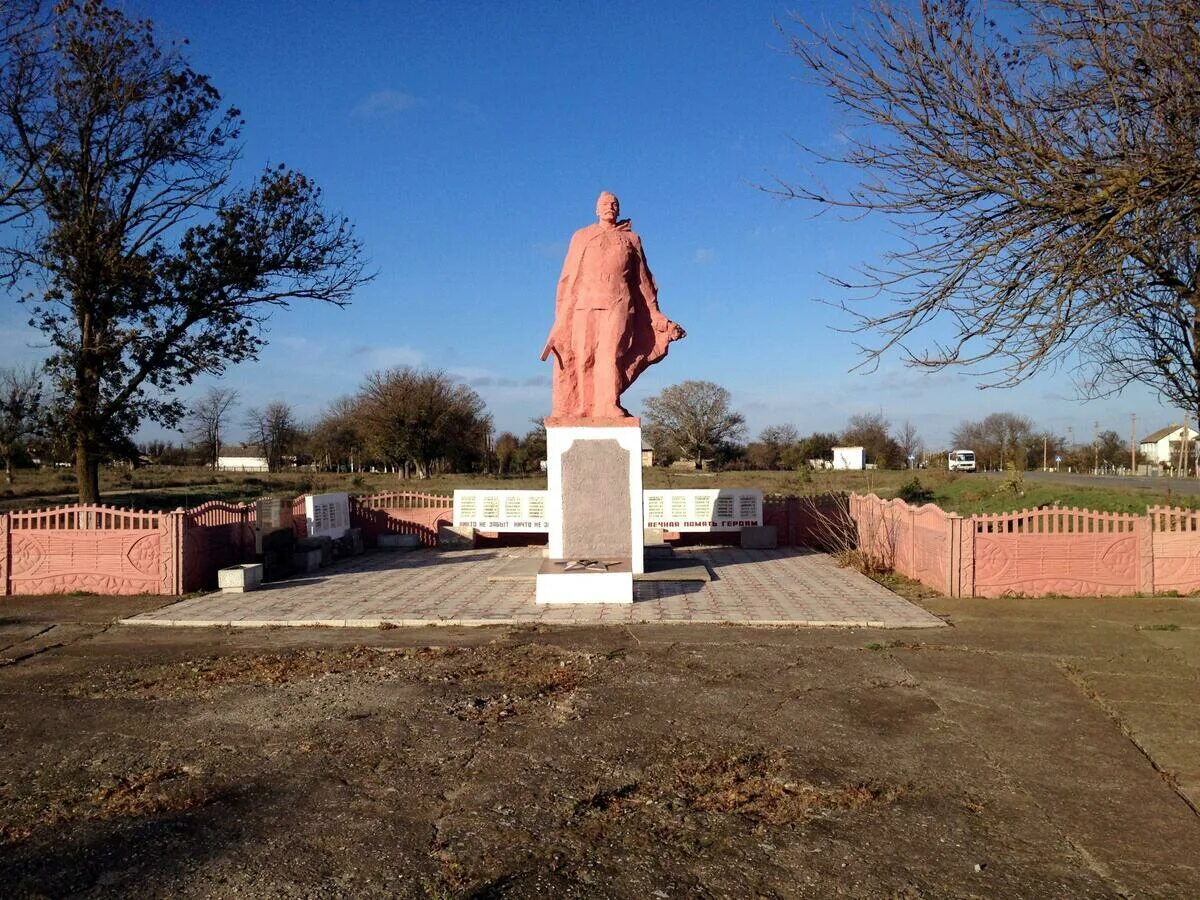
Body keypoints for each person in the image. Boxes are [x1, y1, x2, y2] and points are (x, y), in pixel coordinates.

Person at [541, 192, 684, 418]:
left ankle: (608, 403)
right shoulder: (581, 236)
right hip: (583, 305)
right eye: (605, 204)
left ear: (618, 209)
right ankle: (583, 405)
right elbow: (568, 278)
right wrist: (560, 318)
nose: (610, 207)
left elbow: (643, 281)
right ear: (597, 210)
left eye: (614, 204)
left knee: (609, 354)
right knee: (583, 354)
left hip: (618, 303)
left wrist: (655, 313)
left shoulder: (631, 239)